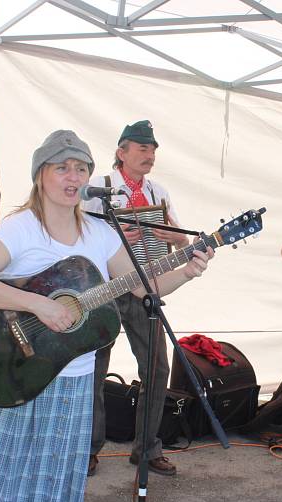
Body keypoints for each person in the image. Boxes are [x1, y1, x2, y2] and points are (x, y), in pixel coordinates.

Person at [0, 130, 211, 502]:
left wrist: (188, 271)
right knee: (2, 476)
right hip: (17, 372)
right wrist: (39, 304)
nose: (73, 177)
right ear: (42, 174)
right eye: (62, 168)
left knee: (57, 482)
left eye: (81, 168)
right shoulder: (21, 228)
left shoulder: (100, 233)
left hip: (72, 382)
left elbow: (146, 286)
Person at [82, 120, 188, 477]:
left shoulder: (159, 193)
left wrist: (170, 235)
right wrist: (112, 234)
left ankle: (146, 448)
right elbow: (76, 238)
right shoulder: (96, 188)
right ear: (121, 152)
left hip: (145, 286)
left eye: (153, 150)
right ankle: (89, 447)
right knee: (93, 367)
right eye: (143, 149)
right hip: (106, 287)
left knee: (157, 367)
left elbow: (181, 242)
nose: (150, 155)